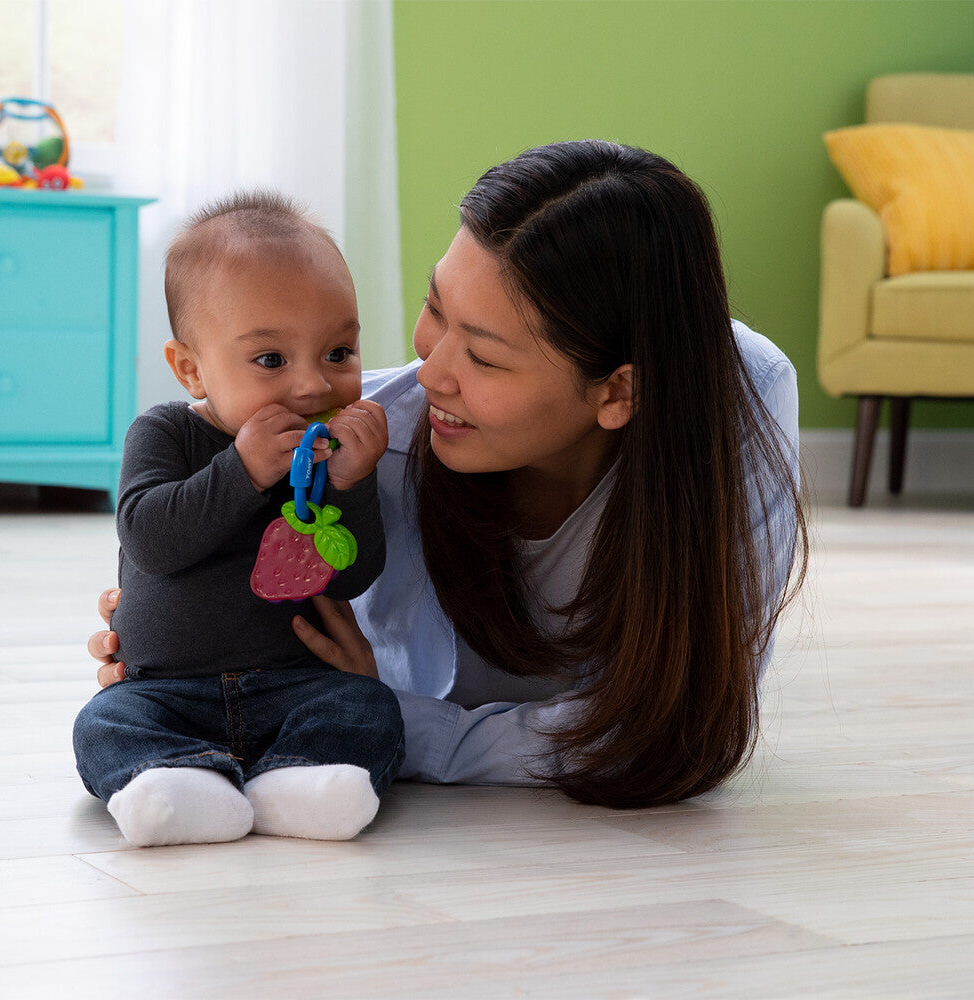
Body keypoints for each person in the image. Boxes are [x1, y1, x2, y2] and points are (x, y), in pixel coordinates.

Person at [90, 141, 807, 810]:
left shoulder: (737, 402)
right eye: (435, 309)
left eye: (485, 358)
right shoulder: (368, 437)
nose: (427, 375)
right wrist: (173, 649)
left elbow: (669, 727)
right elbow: (197, 497)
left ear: (619, 392)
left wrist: (399, 724)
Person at [72, 191, 404, 847]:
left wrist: (354, 484)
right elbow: (151, 538)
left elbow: (352, 576)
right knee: (103, 724)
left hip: (297, 688)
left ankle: (301, 782)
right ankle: (174, 783)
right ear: (191, 368)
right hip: (165, 693)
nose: (312, 385)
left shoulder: (335, 453)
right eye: (272, 360)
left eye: (338, 353)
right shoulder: (165, 432)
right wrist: (242, 471)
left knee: (370, 707)